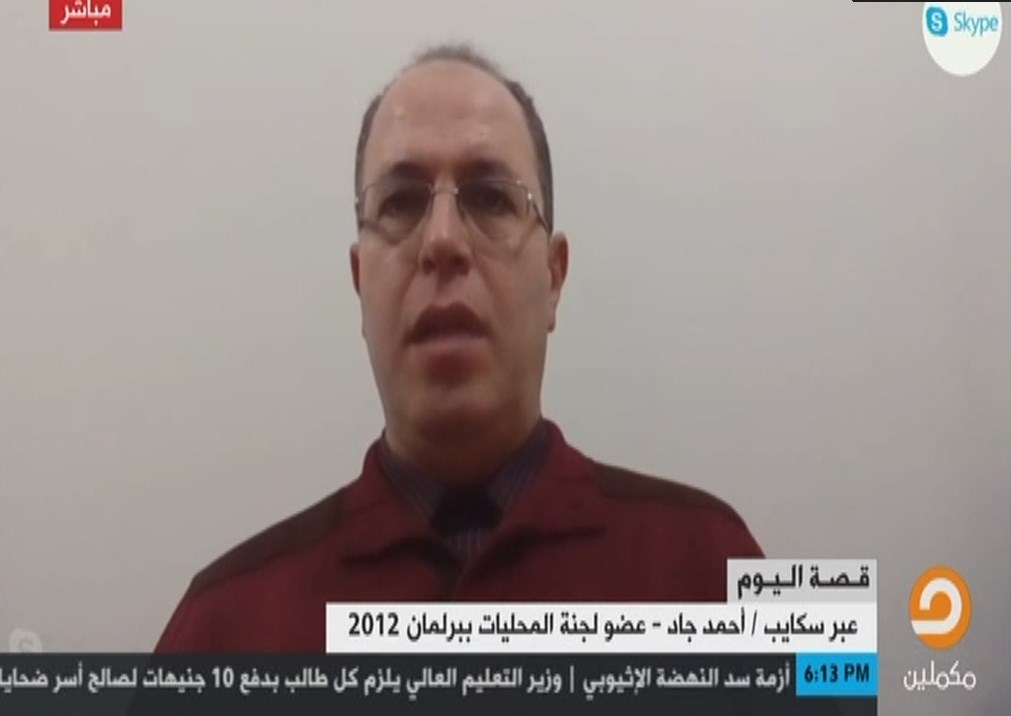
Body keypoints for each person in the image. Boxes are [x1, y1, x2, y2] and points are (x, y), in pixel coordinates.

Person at [155, 44, 763, 652]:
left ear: (553, 277)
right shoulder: (219, 629)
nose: (442, 241)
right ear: (361, 283)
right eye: (400, 203)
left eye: (491, 197)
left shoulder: (718, 564)